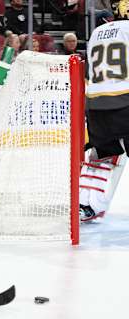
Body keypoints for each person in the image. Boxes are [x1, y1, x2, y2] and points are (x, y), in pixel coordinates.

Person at [79, 0, 129, 222]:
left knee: (102, 154)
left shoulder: (97, 32)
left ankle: (86, 204)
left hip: (96, 105)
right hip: (124, 102)